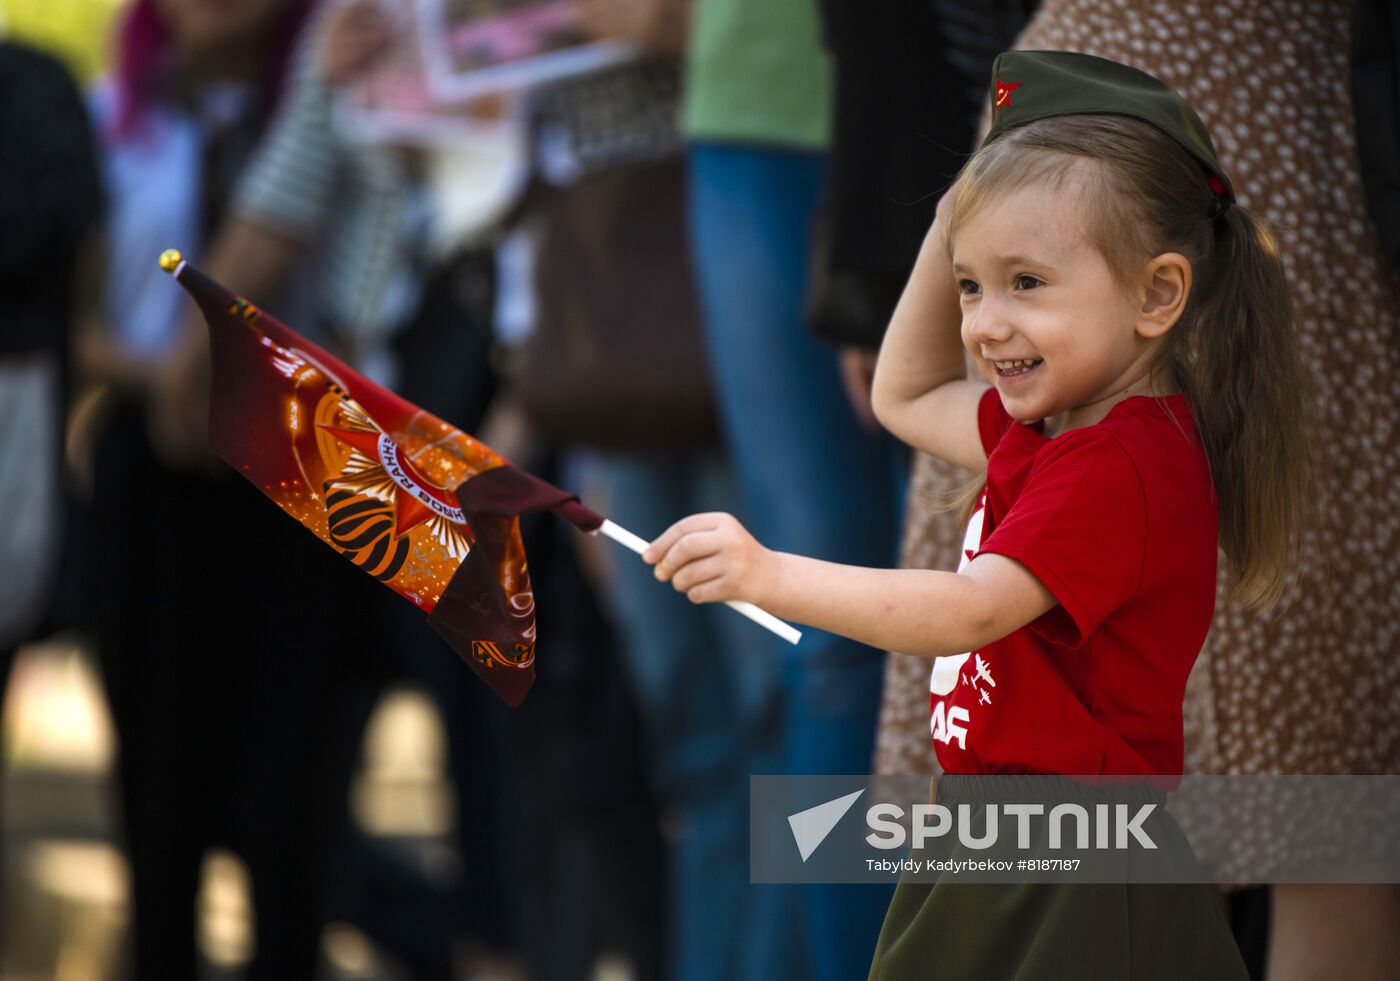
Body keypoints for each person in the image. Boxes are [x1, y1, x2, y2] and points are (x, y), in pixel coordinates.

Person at [646, 51, 1308, 977]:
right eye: (970, 287)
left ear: (1159, 294)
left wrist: (771, 575)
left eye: (1026, 283)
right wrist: (964, 212)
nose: (985, 324)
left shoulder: (1119, 462)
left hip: (1067, 865)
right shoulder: (1053, 431)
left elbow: (971, 609)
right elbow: (906, 392)